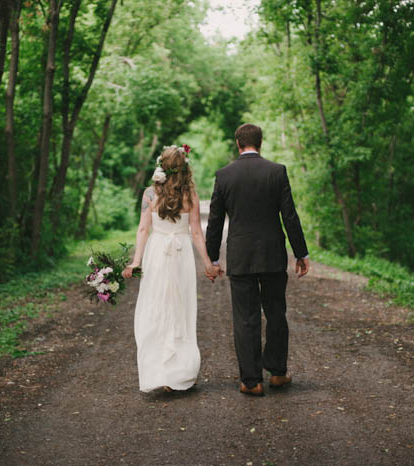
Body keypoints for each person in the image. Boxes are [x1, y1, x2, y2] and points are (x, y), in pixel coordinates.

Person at [205, 123, 309, 396]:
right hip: (272, 255)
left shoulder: (224, 175)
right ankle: (276, 373)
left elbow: (215, 222)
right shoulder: (276, 172)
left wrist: (212, 259)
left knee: (245, 318)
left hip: (240, 257)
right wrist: (301, 253)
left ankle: (252, 381)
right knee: (276, 313)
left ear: (237, 143)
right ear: (260, 143)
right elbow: (290, 216)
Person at [122, 145, 218, 392]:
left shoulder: (149, 195)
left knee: (156, 308)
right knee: (181, 309)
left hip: (157, 254)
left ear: (160, 167)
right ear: (185, 168)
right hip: (181, 254)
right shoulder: (191, 195)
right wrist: (208, 263)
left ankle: (160, 371)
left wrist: (136, 261)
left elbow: (143, 229)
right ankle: (180, 371)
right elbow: (196, 232)